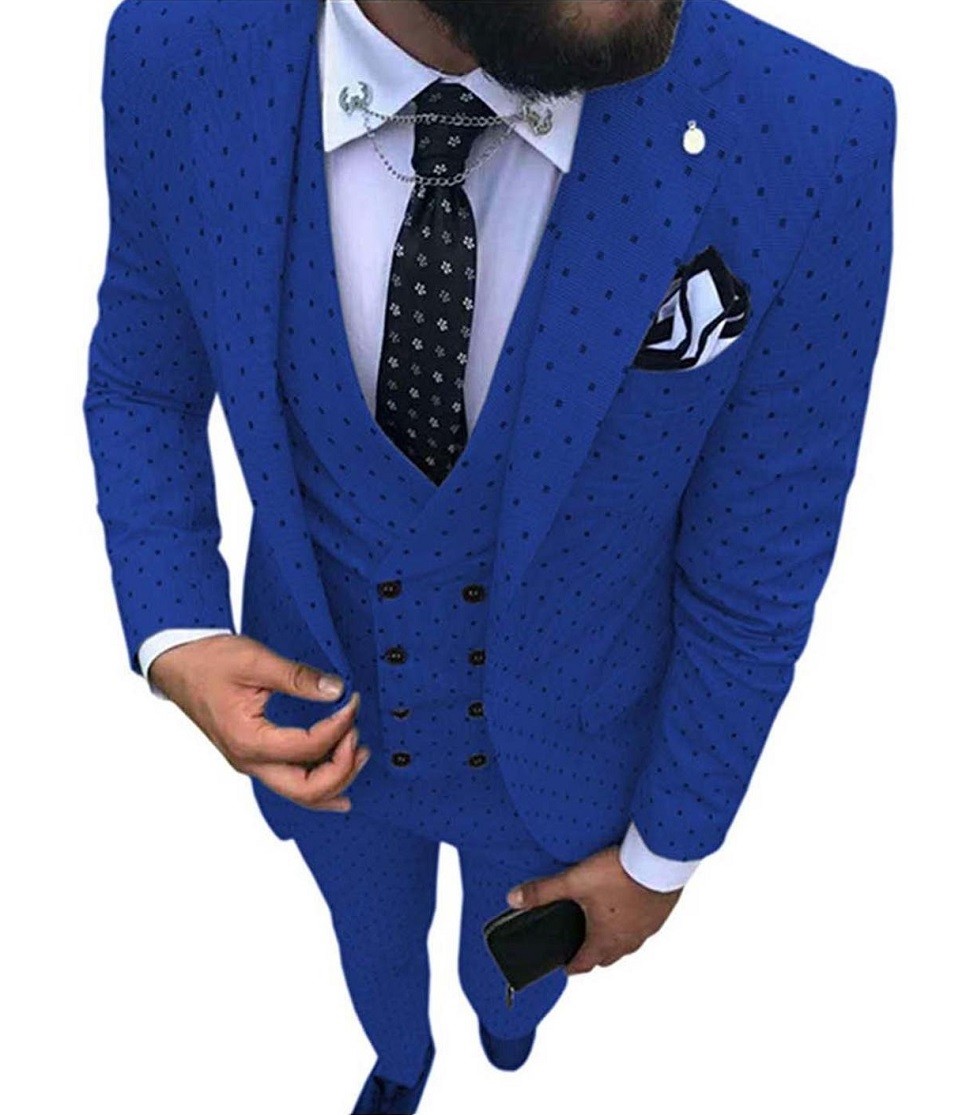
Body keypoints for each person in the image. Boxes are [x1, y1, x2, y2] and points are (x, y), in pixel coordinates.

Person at [83, 1, 896, 1110]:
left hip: (567, 762)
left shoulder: (811, 130)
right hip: (320, 727)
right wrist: (175, 625)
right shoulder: (173, 53)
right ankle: (398, 1055)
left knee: (513, 973)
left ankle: (502, 1036)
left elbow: (757, 565)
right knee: (369, 941)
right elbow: (143, 377)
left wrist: (664, 852)